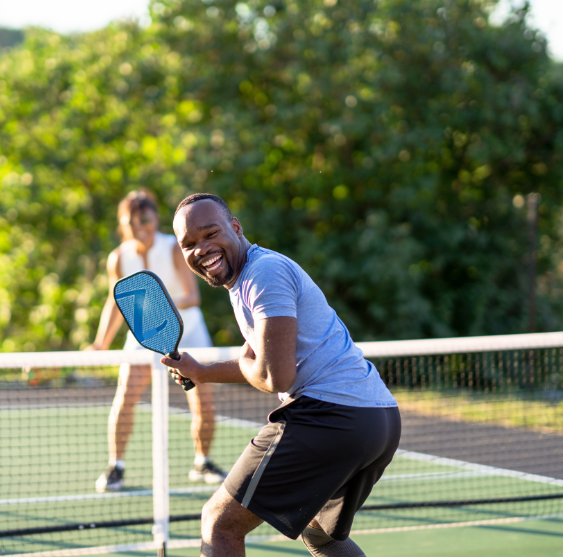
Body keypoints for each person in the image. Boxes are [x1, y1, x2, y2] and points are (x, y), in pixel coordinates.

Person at [166, 193, 400, 557]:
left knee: (219, 522)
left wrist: (246, 364)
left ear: (236, 227)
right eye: (189, 244)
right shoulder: (247, 278)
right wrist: (202, 372)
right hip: (377, 419)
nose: (202, 249)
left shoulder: (263, 274)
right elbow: (258, 358)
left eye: (211, 233)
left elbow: (276, 376)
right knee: (320, 534)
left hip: (331, 416)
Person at [88, 189, 226, 492]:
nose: (140, 226)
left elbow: (192, 296)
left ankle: (202, 461)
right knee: (125, 396)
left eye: (145, 219)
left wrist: (158, 308)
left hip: (188, 332)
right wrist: (100, 343)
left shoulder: (174, 248)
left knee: (203, 401)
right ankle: (116, 466)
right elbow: (115, 303)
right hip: (142, 337)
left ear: (154, 218)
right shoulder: (118, 258)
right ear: (124, 224)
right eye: (132, 221)